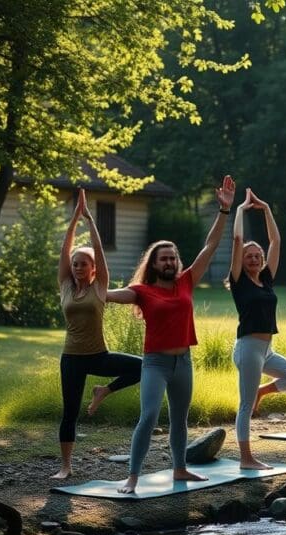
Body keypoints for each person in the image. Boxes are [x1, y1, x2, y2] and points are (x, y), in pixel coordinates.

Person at [107, 176, 235, 493]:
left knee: (180, 420)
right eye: (163, 257)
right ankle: (132, 477)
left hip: (184, 363)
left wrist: (223, 211)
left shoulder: (186, 281)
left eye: (172, 257)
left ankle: (180, 469)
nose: (169, 261)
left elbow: (210, 246)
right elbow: (110, 295)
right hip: (155, 363)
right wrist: (89, 283)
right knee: (149, 416)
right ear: (154, 263)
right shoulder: (142, 290)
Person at [54, 189, 142, 479]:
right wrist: (73, 220)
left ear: (93, 270)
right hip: (72, 358)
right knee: (70, 413)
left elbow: (100, 252)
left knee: (142, 367)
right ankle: (66, 467)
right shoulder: (66, 286)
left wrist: (90, 220)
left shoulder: (100, 287)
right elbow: (64, 252)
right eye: (76, 264)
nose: (78, 267)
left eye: (84, 264)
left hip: (98, 355)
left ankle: (104, 391)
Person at [228, 189, 286, 468]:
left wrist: (266, 209)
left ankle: (263, 391)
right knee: (244, 405)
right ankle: (246, 458)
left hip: (267, 349)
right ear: (242, 260)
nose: (253, 258)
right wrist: (240, 209)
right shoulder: (239, 281)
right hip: (248, 348)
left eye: (257, 255)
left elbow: (276, 240)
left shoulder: (267, 280)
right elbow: (238, 239)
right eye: (248, 256)